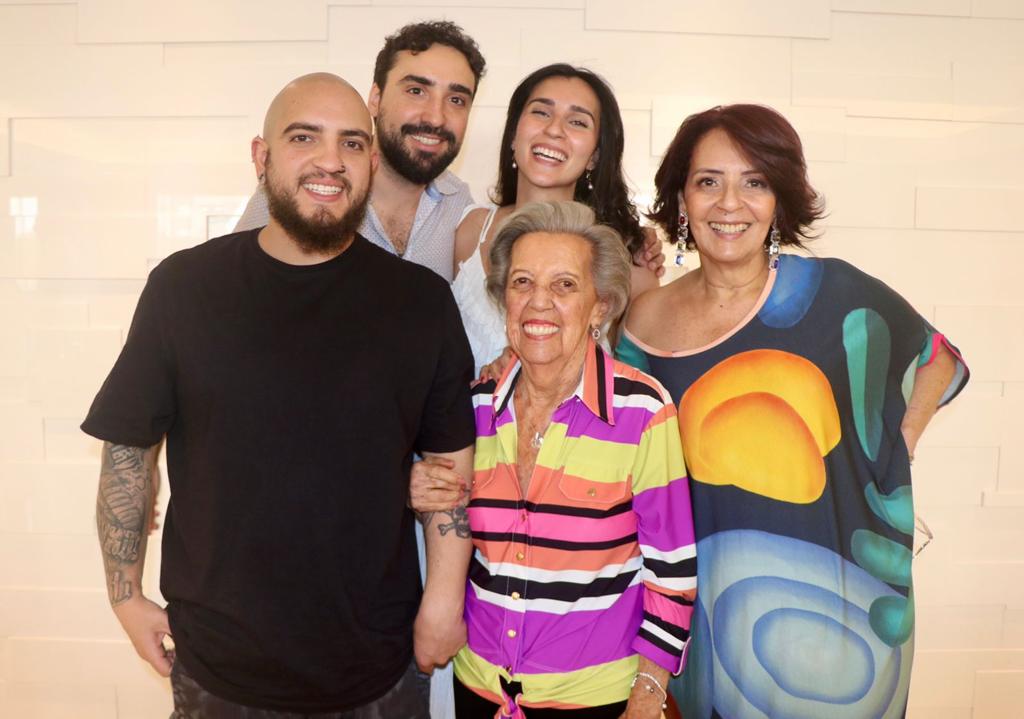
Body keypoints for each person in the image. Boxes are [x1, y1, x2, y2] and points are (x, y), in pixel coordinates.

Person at [82, 72, 476, 717]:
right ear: (261, 157)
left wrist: (443, 601)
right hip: (218, 668)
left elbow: (448, 464)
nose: (331, 161)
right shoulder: (184, 288)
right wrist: (124, 596)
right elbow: (128, 449)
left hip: (377, 668)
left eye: (352, 143)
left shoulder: (420, 303)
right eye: (304, 138)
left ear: (372, 164)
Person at [617, 104, 969, 719]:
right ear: (681, 198)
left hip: (844, 607)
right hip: (699, 614)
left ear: (779, 198)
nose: (730, 203)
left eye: (754, 182)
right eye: (708, 181)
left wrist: (898, 446)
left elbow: (936, 356)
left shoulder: (831, 291)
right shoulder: (643, 323)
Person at [449, 201, 696, 717]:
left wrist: (648, 692)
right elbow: (449, 521)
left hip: (597, 699)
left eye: (564, 285)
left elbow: (671, 571)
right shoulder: (473, 407)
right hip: (479, 688)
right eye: (522, 283)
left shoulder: (642, 410)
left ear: (599, 307)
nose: (539, 303)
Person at [234, 20, 486, 281]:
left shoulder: (460, 206)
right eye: (416, 91)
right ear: (375, 99)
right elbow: (238, 286)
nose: (435, 117)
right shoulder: (298, 192)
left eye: (456, 100)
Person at [452, 63, 660, 374]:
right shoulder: (469, 230)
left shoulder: (630, 265)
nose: (554, 130)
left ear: (595, 156)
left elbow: (632, 382)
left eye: (577, 122)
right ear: (513, 135)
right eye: (541, 112)